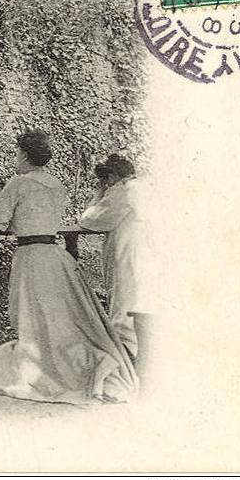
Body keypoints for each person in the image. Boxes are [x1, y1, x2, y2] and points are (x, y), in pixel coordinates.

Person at [0, 130, 137, 404]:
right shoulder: (56, 185)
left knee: (29, 316)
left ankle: (42, 368)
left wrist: (2, 224)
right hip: (55, 256)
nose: (15, 158)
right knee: (54, 318)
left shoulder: (17, 184)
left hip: (30, 256)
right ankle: (70, 363)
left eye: (17, 153)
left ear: (26, 155)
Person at [80, 154, 154, 383]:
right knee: (140, 300)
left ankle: (126, 360)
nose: (106, 184)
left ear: (112, 176)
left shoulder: (123, 192)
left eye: (106, 180)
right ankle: (140, 357)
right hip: (149, 251)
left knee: (124, 301)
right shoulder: (145, 187)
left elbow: (90, 220)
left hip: (130, 252)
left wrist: (98, 194)